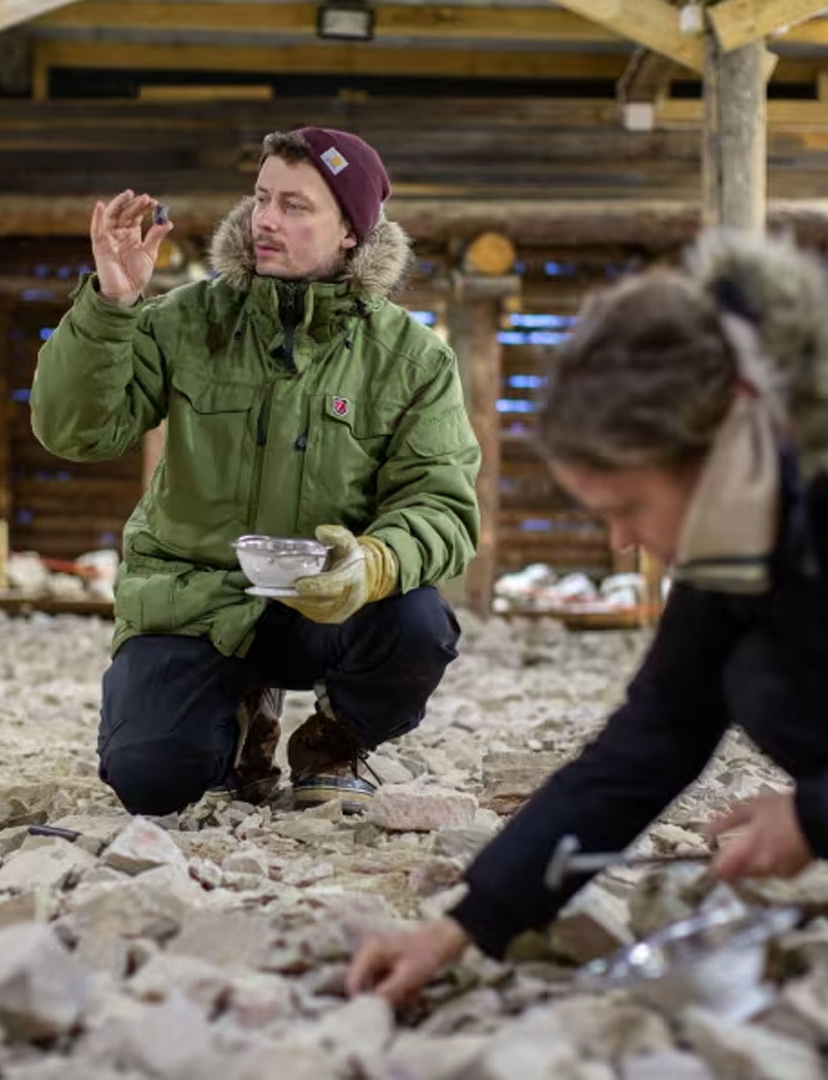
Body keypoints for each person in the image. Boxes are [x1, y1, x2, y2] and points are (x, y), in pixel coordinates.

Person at [347, 230, 828, 1005]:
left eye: (630, 505)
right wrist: (464, 925)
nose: (622, 541)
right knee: (750, 671)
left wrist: (812, 811)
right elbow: (653, 738)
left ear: (717, 443)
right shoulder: (735, 519)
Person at [32, 126, 480, 814]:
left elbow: (442, 506)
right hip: (194, 601)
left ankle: (334, 741)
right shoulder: (186, 320)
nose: (265, 219)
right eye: (262, 197)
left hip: (322, 603)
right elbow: (76, 432)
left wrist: (374, 563)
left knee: (418, 622)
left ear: (352, 233)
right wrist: (111, 306)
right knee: (153, 782)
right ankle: (242, 727)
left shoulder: (412, 358)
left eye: (296, 206)